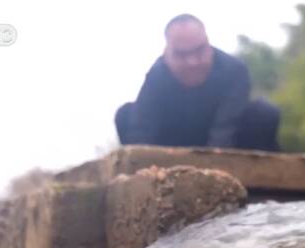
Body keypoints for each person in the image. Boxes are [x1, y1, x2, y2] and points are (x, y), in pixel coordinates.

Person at [115, 14, 280, 151]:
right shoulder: (157, 75)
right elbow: (141, 127)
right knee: (125, 114)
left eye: (199, 51)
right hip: (173, 147)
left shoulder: (234, 70)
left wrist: (212, 169)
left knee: (264, 113)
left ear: (208, 43)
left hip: (228, 146)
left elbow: (225, 128)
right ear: (167, 53)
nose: (192, 62)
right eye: (181, 55)